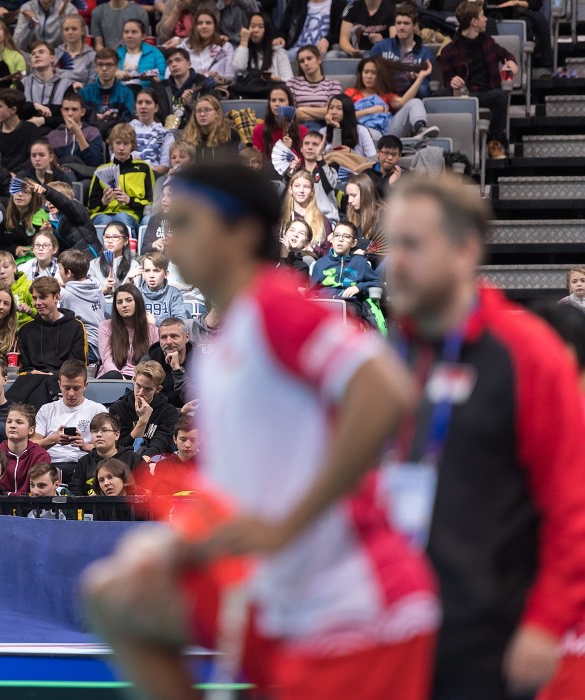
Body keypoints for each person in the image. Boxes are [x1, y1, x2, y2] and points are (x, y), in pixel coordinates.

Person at [82, 159, 438, 700]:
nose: (168, 244)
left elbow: (385, 389)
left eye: (184, 225)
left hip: (357, 609)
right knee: (117, 593)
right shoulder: (223, 344)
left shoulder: (275, 306)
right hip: (278, 598)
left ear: (241, 231)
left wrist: (285, 526)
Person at [379, 174, 585, 698]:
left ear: (465, 248)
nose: (394, 262)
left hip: (490, 635)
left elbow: (571, 506)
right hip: (394, 632)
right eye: (390, 244)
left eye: (412, 245)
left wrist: (545, 624)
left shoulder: (528, 355)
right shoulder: (387, 358)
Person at [439, 1, 517, 159]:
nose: (486, 19)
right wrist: (453, 82)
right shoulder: (449, 50)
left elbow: (505, 54)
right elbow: (447, 79)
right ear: (474, 22)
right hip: (463, 95)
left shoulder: (487, 42)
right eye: (483, 16)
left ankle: (494, 143)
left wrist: (511, 62)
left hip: (485, 94)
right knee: (439, 93)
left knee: (501, 95)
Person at [34, 359, 106, 481]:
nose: (71, 393)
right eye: (66, 388)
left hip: (85, 464)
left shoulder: (98, 410)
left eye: (76, 388)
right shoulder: (46, 409)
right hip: (51, 465)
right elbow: (32, 446)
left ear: (85, 386)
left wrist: (85, 446)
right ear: (59, 385)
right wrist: (54, 439)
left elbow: (109, 448)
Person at [88, 123, 155, 231]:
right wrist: (103, 202)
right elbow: (91, 207)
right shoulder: (101, 170)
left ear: (132, 145)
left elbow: (151, 203)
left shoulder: (143, 168)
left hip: (129, 213)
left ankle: (128, 248)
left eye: (126, 143)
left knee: (121, 218)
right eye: (118, 143)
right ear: (111, 144)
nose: (121, 148)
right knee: (103, 220)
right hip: (103, 213)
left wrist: (129, 200)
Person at [108, 360, 181, 458]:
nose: (140, 393)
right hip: (123, 461)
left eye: (148, 389)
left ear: (158, 389)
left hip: (154, 461)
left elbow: (161, 442)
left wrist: (143, 461)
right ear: (134, 379)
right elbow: (119, 445)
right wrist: (142, 421)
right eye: (138, 386)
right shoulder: (117, 409)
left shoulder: (168, 412)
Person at [18, 277, 88, 375]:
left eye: (43, 297)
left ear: (57, 297)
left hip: (64, 384)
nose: (37, 303)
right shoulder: (25, 330)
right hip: (33, 382)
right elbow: (24, 368)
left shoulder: (76, 327)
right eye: (35, 298)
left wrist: (52, 376)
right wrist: (33, 374)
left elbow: (77, 366)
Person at [369, 5, 435, 100]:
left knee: (422, 89)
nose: (401, 27)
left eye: (406, 23)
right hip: (383, 96)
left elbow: (424, 89)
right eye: (398, 23)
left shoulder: (425, 55)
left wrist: (416, 80)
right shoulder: (380, 47)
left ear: (415, 25)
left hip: (411, 98)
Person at [71, 411, 142, 496]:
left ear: (117, 434)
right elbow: (74, 491)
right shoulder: (84, 462)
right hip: (93, 508)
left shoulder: (134, 459)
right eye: (94, 431)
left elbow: (146, 489)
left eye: (104, 430)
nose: (98, 435)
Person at [99, 284, 157, 379]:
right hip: (113, 376)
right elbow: (107, 360)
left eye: (129, 300)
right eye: (119, 302)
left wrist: (138, 377)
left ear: (137, 302)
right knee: (114, 375)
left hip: (140, 379)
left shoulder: (153, 330)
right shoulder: (105, 326)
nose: (124, 305)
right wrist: (122, 379)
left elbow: (153, 363)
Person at [58, 249, 105, 365]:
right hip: (102, 345)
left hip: (85, 347)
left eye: (59, 269)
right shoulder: (97, 286)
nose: (58, 272)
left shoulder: (66, 294)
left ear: (68, 273)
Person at [0, 403, 51, 495]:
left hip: (30, 507)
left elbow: (38, 491)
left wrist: (8, 495)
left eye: (19, 422)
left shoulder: (40, 456)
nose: (12, 425)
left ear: (31, 430)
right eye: (9, 421)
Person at [231, 13, 294, 97]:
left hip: (271, 98)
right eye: (252, 26)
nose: (255, 30)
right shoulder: (243, 49)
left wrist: (275, 79)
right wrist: (244, 41)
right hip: (247, 96)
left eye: (260, 27)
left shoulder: (278, 53)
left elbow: (290, 82)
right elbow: (238, 67)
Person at [81, 48, 135, 138]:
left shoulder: (126, 93)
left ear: (117, 67)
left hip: (117, 137)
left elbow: (127, 121)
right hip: (90, 137)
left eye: (109, 65)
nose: (104, 69)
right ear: (96, 67)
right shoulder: (85, 93)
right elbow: (81, 120)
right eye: (100, 65)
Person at [0, 88, 41, 174]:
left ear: (13, 110)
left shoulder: (30, 130)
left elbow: (32, 159)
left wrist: (16, 173)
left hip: (23, 178)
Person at [143, 316, 193, 409]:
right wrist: (178, 412)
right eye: (164, 337)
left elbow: (195, 399)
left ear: (186, 337)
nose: (168, 342)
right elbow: (144, 399)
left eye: (174, 336)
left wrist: (177, 370)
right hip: (160, 416)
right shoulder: (150, 360)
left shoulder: (200, 361)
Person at [287, 45, 343, 123]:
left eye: (309, 58)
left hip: (324, 127)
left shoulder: (333, 84)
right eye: (302, 61)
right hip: (300, 127)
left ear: (319, 60)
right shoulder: (292, 83)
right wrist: (322, 112)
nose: (306, 63)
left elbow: (333, 112)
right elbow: (291, 113)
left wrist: (301, 109)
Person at [88, 222, 140, 307]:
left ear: (125, 241)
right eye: (107, 237)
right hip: (99, 305)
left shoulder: (134, 265)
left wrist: (128, 282)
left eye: (115, 237)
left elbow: (136, 295)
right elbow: (88, 294)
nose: (110, 240)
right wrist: (104, 289)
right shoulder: (93, 264)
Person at [0, 251, 36, 327]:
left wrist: (29, 310)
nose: (2, 271)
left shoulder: (29, 286)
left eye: (6, 267)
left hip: (27, 330)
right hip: (1, 331)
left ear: (14, 267)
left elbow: (41, 314)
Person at [282, 170, 333, 251]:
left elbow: (327, 253)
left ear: (312, 191)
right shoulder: (281, 218)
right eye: (297, 186)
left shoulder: (322, 220)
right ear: (290, 190)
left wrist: (314, 250)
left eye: (306, 187)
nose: (301, 190)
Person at [178, 94, 240, 160]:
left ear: (217, 113)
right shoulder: (187, 137)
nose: (202, 114)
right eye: (198, 111)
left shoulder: (230, 135)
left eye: (207, 110)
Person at [179, 10, 234, 82]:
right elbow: (176, 76)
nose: (204, 26)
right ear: (195, 26)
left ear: (215, 26)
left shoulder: (226, 47)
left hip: (217, 90)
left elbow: (231, 77)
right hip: (190, 90)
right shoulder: (183, 48)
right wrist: (206, 75)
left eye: (208, 23)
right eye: (200, 23)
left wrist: (217, 78)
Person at [280, 0, 346, 60]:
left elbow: (343, 36)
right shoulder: (296, 3)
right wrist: (280, 38)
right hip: (296, 50)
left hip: (321, 51)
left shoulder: (339, 4)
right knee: (279, 56)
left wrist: (328, 39)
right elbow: (284, 29)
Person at [0, 185, 48, 258]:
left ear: (33, 197)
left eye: (25, 192)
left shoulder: (42, 219)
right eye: (16, 190)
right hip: (11, 262)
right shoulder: (6, 217)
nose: (19, 194)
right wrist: (15, 249)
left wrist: (48, 233)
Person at [254, 84, 307, 157]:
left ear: (289, 103)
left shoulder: (302, 131)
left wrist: (290, 151)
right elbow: (258, 161)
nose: (277, 104)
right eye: (273, 100)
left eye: (281, 100)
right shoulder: (259, 130)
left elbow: (304, 161)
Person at [129, 89, 173, 177]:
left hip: (153, 176)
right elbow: (115, 157)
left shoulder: (165, 134)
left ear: (156, 108)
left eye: (148, 103)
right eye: (140, 102)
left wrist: (144, 169)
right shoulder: (125, 129)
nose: (143, 106)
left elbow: (165, 166)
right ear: (135, 107)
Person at [138, 251, 189, 324]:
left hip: (167, 334)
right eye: (147, 271)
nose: (151, 275)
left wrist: (155, 322)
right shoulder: (137, 293)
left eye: (156, 271)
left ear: (166, 274)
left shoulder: (173, 293)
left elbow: (181, 322)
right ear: (143, 273)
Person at [320, 93, 378, 158]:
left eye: (339, 108)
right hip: (331, 167)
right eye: (331, 108)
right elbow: (334, 157)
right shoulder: (323, 132)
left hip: (357, 167)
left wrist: (350, 152)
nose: (334, 112)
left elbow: (374, 160)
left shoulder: (361, 130)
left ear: (348, 111)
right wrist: (337, 128)